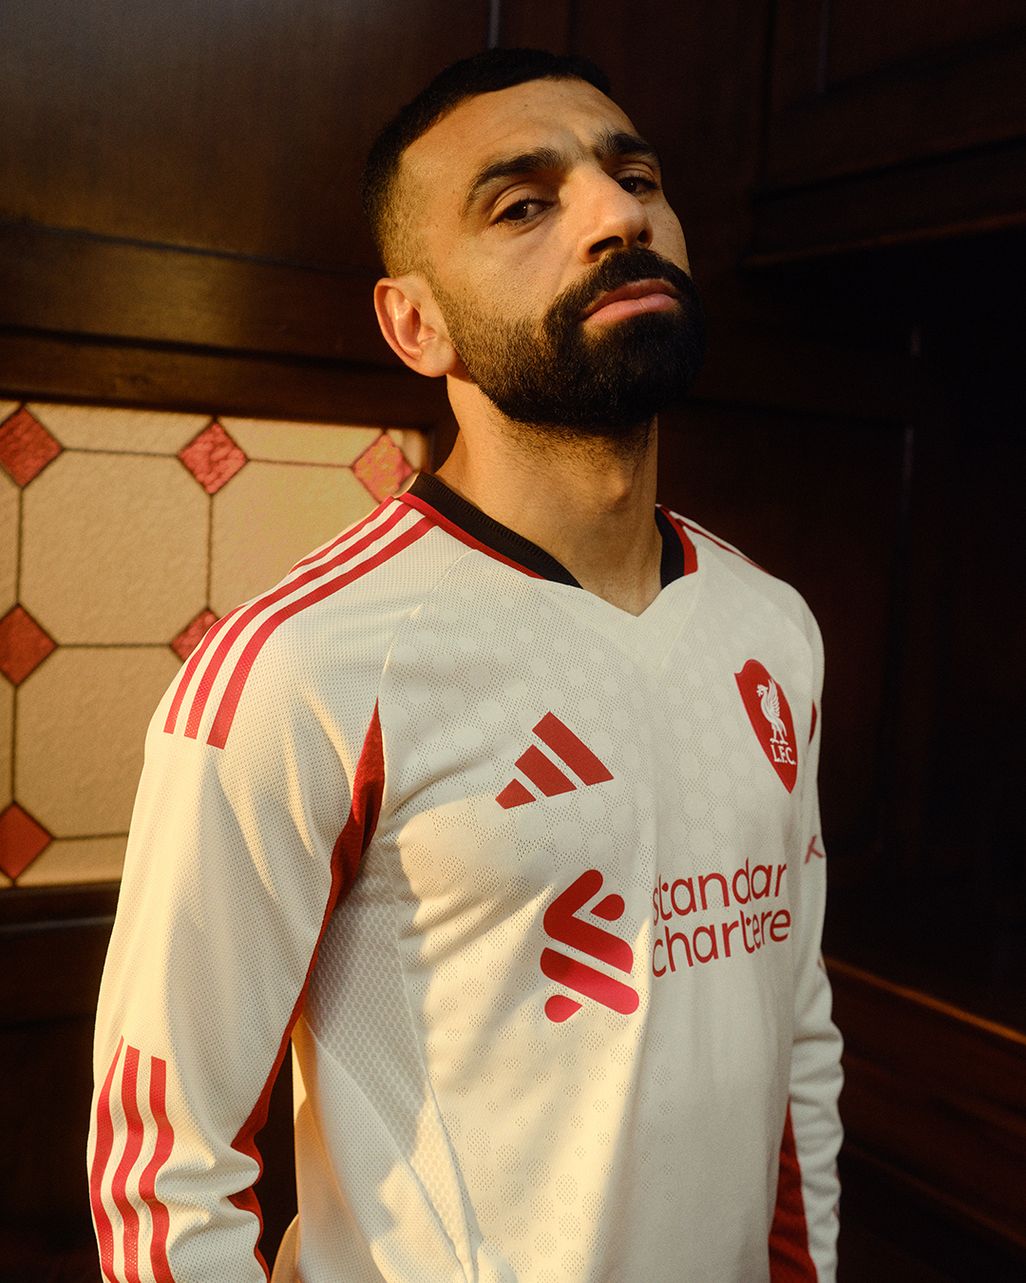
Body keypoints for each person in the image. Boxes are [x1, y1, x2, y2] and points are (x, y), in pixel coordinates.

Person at [87, 47, 843, 1283]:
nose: (617, 216)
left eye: (636, 178)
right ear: (416, 322)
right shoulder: (300, 669)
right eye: (525, 204)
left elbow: (795, 1026)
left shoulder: (773, 626)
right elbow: (163, 1170)